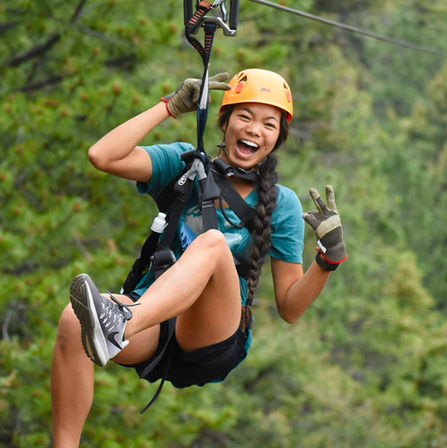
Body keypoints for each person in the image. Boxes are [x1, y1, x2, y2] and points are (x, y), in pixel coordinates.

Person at [51, 68, 347, 447]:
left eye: (269, 124)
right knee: (73, 321)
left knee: (212, 244)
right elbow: (102, 155)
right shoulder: (185, 163)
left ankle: (119, 325)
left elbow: (290, 308)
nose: (255, 129)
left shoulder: (283, 204)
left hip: (212, 337)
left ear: (278, 138)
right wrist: (170, 107)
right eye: (245, 116)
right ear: (224, 121)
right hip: (155, 326)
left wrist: (327, 259)